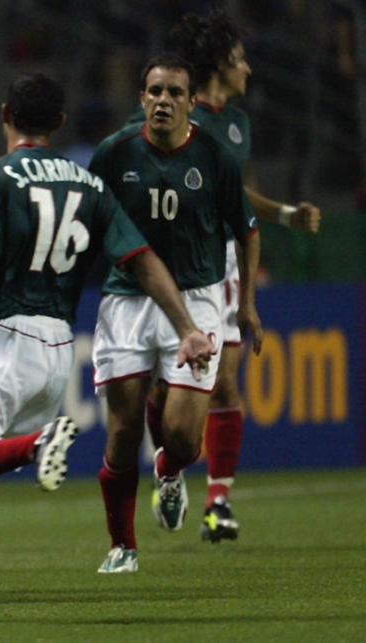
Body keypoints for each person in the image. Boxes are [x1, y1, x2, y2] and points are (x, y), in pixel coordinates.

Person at [0, 72, 215, 624]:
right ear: (60, 123)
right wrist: (186, 326)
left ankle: (34, 447)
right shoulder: (89, 185)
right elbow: (141, 257)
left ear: (5, 115)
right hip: (57, 347)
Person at [145, 9, 321, 543]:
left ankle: (218, 503)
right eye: (241, 58)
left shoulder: (237, 124)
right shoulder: (175, 114)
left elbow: (236, 197)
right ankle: (170, 467)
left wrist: (285, 216)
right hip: (175, 266)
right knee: (165, 390)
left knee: (226, 382)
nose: (249, 68)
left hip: (221, 264)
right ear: (221, 63)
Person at [89, 53, 261, 573]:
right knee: (121, 434)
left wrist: (246, 303)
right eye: (154, 92)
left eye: (173, 93)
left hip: (199, 299)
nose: (163, 100)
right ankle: (123, 546)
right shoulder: (114, 154)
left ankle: (168, 470)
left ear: (190, 102)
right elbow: (86, 222)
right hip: (125, 301)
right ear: (142, 98)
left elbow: (248, 231)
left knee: (184, 438)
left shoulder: (212, 156)